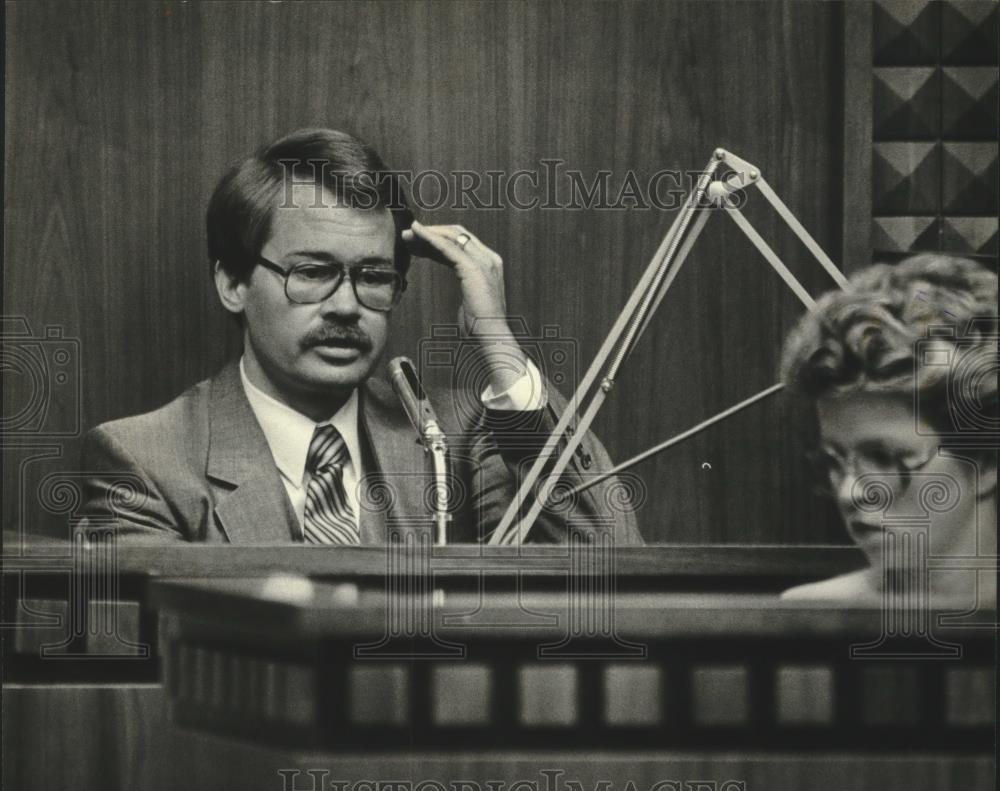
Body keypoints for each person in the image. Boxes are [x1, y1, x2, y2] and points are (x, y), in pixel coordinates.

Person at [79, 128, 642, 546]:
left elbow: (608, 567)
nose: (347, 305)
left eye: (373, 277)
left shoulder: (464, 435)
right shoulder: (144, 461)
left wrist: (497, 343)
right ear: (233, 283)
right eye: (313, 272)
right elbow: (145, 674)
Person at [779, 254, 997, 606]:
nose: (850, 493)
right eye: (832, 462)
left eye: (883, 457)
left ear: (985, 463)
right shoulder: (808, 621)